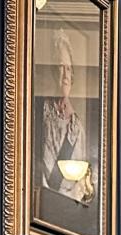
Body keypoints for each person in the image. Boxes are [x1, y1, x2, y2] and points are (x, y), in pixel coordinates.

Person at [39, 33, 94, 206]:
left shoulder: (76, 127)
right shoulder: (40, 114)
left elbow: (82, 179)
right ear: (52, 72)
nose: (65, 75)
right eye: (60, 67)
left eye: (68, 69)